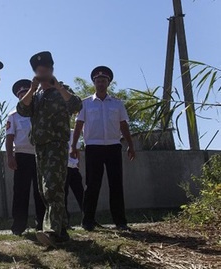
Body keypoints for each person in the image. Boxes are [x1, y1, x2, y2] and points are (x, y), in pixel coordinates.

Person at [17, 51, 82, 247]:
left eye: (45, 71)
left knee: (53, 187)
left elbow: (76, 104)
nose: (42, 74)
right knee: (44, 190)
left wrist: (58, 86)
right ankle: (62, 232)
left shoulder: (61, 90)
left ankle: (51, 231)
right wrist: (31, 88)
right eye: (39, 72)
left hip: (57, 145)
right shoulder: (35, 95)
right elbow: (22, 109)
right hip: (40, 146)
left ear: (52, 70)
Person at [71, 66, 136, 232]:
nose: (100, 83)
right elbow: (78, 125)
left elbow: (123, 125)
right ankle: (88, 221)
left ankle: (120, 222)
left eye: (103, 81)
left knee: (116, 184)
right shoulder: (85, 103)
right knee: (92, 185)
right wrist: (73, 146)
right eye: (98, 81)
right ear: (94, 83)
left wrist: (130, 144)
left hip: (113, 146)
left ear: (108, 83)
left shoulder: (117, 103)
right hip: (93, 147)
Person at [6, 79, 45, 236]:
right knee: (21, 192)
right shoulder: (14, 115)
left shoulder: (41, 111)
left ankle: (41, 224)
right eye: (21, 94)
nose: (25, 96)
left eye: (27, 93)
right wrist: (10, 156)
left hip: (40, 155)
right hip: (22, 156)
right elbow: (9, 138)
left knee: (40, 192)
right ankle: (18, 226)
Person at [65, 127, 84, 227]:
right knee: (64, 195)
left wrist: (78, 164)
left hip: (73, 167)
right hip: (63, 167)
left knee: (81, 193)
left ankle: (87, 219)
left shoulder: (73, 132)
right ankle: (65, 222)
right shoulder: (56, 131)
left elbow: (77, 150)